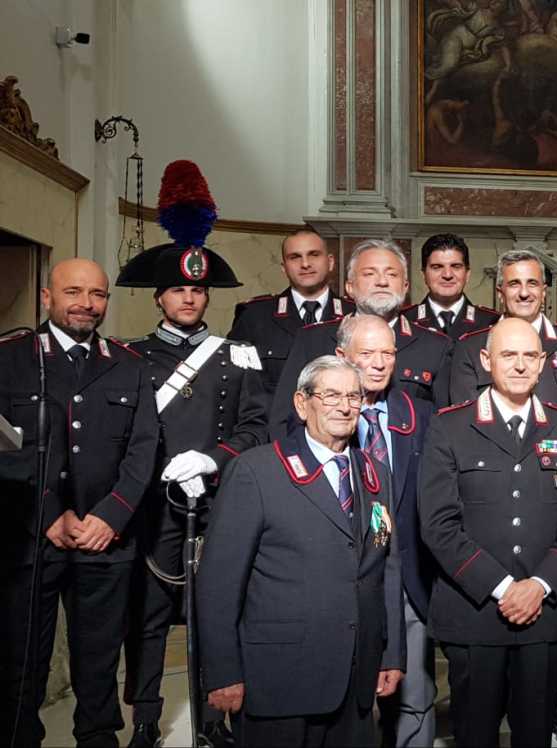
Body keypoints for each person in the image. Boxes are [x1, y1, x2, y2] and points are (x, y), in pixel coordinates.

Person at [198, 356, 404, 747]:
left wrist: (391, 653)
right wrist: (223, 672)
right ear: (301, 403)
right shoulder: (256, 471)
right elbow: (218, 583)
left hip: (356, 678)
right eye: (331, 396)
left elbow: (386, 570)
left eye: (353, 397)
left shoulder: (375, 473)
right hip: (280, 680)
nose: (344, 407)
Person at [436, 250, 557, 743]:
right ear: (486, 361)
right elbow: (439, 524)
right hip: (474, 611)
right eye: (508, 355)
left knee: (534, 736)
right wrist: (504, 587)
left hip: (545, 614)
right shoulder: (449, 428)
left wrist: (540, 585)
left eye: (530, 356)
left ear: (543, 362)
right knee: (475, 734)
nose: (520, 365)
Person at [0, 259, 161, 748]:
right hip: (30, 536)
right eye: (73, 292)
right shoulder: (11, 357)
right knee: (20, 662)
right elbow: (4, 448)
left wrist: (111, 516)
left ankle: (98, 739)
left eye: (97, 294)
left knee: (98, 664)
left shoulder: (129, 364)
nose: (86, 304)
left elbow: (143, 448)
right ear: (46, 297)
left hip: (105, 539)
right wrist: (49, 513)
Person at [114, 241, 267, 748]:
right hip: (154, 505)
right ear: (159, 297)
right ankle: (144, 720)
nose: (188, 298)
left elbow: (256, 427)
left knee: (216, 611)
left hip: (217, 502)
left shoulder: (236, 355)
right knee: (148, 617)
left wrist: (213, 459)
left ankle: (213, 718)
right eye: (178, 289)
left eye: (197, 290)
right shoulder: (132, 356)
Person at [335, 315, 439, 747]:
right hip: (343, 577)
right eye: (367, 353)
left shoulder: (422, 415)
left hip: (411, 577)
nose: (379, 363)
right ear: (342, 356)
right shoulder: (320, 418)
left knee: (415, 694)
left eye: (388, 353)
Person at [271, 239, 452, 426]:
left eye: (391, 274)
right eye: (369, 274)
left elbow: (444, 425)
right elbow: (284, 418)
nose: (382, 282)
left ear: (405, 287)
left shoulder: (435, 346)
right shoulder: (312, 339)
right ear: (349, 287)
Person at [441, 249, 557, 408]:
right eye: (514, 284)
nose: (524, 293)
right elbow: (465, 415)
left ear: (543, 292)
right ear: (500, 293)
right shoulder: (470, 347)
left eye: (532, 283)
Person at [228, 228, 348, 395]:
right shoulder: (255, 316)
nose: (305, 264)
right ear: (284, 268)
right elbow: (233, 384)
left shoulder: (354, 315)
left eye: (314, 254)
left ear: (331, 262)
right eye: (295, 257)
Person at [400, 233, 500, 339]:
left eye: (456, 267)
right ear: (424, 274)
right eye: (437, 267)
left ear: (467, 274)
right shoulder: (404, 320)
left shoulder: (491, 322)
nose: (447, 275)